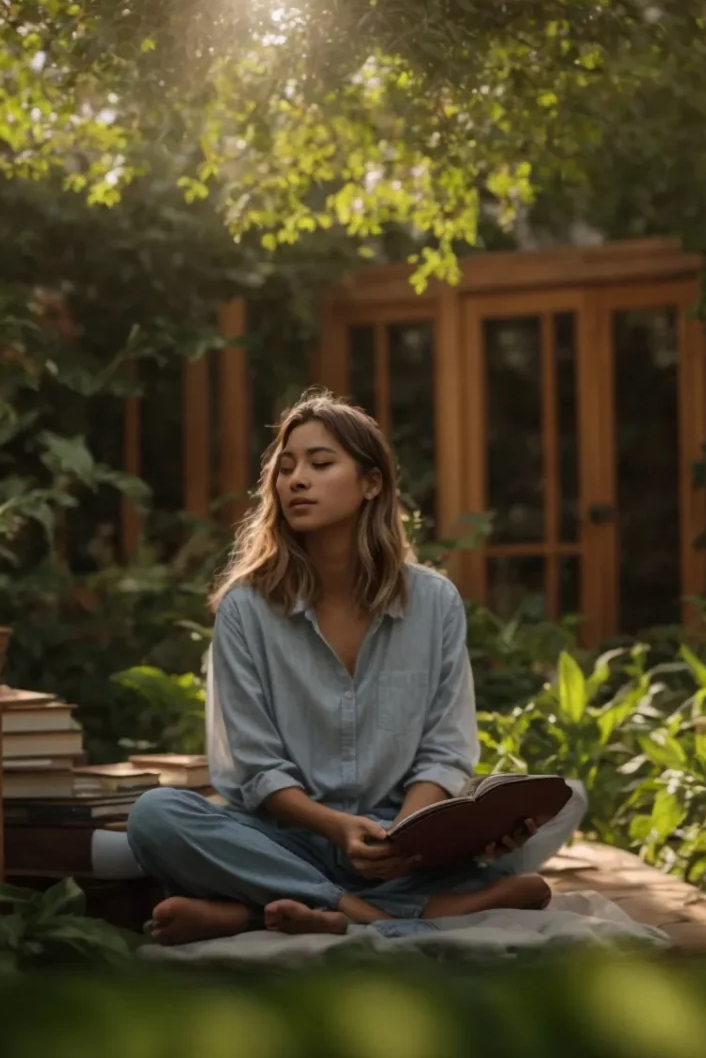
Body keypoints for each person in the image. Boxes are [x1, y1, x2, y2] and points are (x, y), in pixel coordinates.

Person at [126, 389, 583, 946]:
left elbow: (444, 750)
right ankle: (369, 914)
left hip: (405, 844)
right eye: (286, 467)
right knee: (155, 816)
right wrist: (337, 828)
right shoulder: (246, 608)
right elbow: (254, 768)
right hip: (289, 835)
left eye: (320, 464)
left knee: (565, 799)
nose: (296, 480)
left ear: (372, 484)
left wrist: (404, 838)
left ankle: (250, 912)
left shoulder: (434, 602)